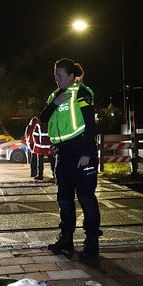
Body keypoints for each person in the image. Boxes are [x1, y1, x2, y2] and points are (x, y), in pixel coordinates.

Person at [39, 59, 101, 259]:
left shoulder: (81, 92)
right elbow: (43, 118)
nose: (56, 79)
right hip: (63, 153)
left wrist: (87, 153)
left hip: (81, 151)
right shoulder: (55, 95)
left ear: (71, 76)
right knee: (64, 198)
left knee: (85, 197)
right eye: (55, 74)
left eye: (60, 75)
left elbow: (90, 124)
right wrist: (55, 103)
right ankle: (66, 238)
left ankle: (92, 241)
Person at [24, 116, 55, 181]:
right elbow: (54, 134)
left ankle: (40, 175)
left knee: (40, 162)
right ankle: (54, 174)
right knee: (52, 161)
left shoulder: (38, 125)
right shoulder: (51, 123)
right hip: (49, 147)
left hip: (41, 147)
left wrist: (37, 144)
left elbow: (35, 135)